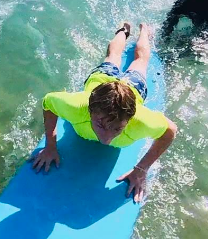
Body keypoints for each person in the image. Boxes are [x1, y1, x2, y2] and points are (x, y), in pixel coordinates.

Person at [31, 22, 177, 203]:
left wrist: (141, 170)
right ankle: (124, 30)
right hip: (102, 79)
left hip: (133, 88)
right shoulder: (77, 106)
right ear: (90, 111)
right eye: (101, 124)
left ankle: (144, 32)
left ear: (130, 119)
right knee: (113, 56)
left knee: (140, 61)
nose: (107, 138)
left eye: (117, 129)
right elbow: (48, 102)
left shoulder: (140, 120)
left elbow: (170, 131)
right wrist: (50, 145)